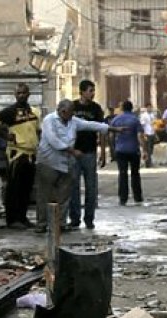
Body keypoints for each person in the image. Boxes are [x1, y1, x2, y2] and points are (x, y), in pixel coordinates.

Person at [33, 100, 118, 234]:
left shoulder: (72, 121)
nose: (73, 115)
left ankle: (60, 223)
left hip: (66, 163)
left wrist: (111, 129)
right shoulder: (49, 120)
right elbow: (53, 140)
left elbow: (90, 125)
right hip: (48, 162)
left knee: (64, 195)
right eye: (71, 112)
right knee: (45, 194)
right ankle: (42, 223)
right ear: (62, 111)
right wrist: (72, 151)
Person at [0, 83, 41, 229]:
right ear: (15, 95)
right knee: (13, 188)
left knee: (26, 188)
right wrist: (4, 135)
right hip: (17, 153)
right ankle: (12, 220)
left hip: (31, 153)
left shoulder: (34, 111)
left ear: (29, 94)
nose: (21, 95)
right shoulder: (10, 111)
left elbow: (38, 130)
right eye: (18, 93)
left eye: (23, 93)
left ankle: (22, 217)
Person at [69, 80, 106, 230]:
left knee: (91, 187)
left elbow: (102, 130)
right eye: (90, 90)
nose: (93, 93)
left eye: (93, 90)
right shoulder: (73, 107)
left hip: (90, 152)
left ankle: (89, 218)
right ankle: (75, 218)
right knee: (73, 187)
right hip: (74, 152)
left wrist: (102, 152)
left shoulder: (96, 109)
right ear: (82, 91)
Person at [111, 100, 146, 207]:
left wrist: (113, 148)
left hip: (120, 150)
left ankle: (123, 198)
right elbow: (140, 136)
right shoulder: (135, 120)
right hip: (133, 150)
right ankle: (137, 197)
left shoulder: (115, 119)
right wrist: (144, 150)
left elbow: (111, 135)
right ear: (131, 108)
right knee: (135, 173)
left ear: (122, 108)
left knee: (122, 174)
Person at [139, 103, 156, 168]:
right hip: (146, 133)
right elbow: (142, 125)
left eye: (150, 107)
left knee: (151, 148)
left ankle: (149, 161)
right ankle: (147, 163)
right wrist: (143, 134)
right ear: (146, 108)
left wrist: (155, 133)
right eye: (148, 107)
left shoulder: (152, 115)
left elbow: (154, 124)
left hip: (152, 133)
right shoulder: (143, 115)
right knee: (146, 149)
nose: (150, 108)